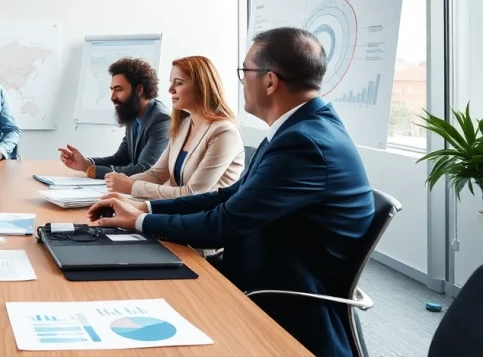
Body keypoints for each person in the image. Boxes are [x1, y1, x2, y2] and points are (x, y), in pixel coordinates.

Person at [87, 27, 374, 357]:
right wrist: (146, 211)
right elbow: (228, 196)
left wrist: (139, 223)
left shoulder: (303, 142)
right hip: (260, 272)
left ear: (269, 81)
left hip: (277, 301)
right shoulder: (298, 129)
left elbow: (225, 224)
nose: (241, 82)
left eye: (245, 71)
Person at [102, 56, 243, 200]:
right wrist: (116, 185)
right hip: (181, 212)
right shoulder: (184, 125)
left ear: (201, 87)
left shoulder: (224, 132)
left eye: (179, 83)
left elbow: (193, 193)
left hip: (207, 217)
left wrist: (131, 186)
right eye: (171, 83)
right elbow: (156, 174)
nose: (170, 89)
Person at [58, 57, 170, 178]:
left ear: (138, 90)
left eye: (118, 89)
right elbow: (121, 158)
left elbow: (144, 170)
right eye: (112, 90)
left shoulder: (161, 119)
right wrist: (86, 163)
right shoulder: (133, 114)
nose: (112, 97)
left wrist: (90, 169)